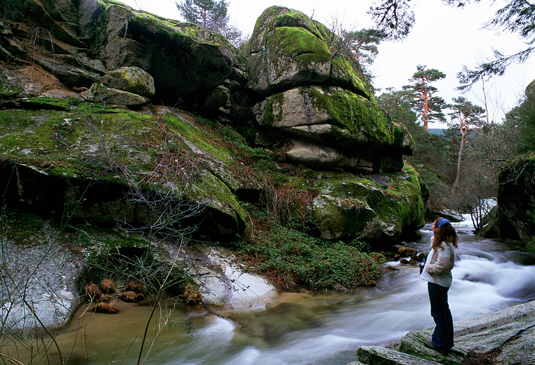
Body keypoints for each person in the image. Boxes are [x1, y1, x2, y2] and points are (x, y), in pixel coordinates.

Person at [420, 218, 458, 356]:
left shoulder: (444, 245)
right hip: (440, 282)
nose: (432, 226)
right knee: (444, 311)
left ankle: (440, 344)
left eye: (434, 224)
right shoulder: (444, 242)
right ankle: (446, 342)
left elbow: (444, 265)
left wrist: (427, 268)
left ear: (438, 228)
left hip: (437, 283)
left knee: (438, 313)